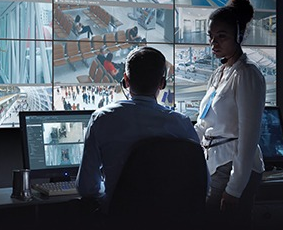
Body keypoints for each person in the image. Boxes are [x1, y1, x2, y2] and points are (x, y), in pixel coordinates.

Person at [76, 46, 200, 220]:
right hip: (171, 219)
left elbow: (87, 187)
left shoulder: (102, 119)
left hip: (121, 218)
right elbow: (201, 183)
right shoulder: (181, 124)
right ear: (162, 83)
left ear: (125, 80)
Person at [194, 0, 265, 230]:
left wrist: (235, 187)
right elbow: (204, 123)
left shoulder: (247, 74)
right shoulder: (219, 74)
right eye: (211, 37)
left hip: (233, 165)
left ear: (239, 36)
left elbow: (249, 135)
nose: (214, 43)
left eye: (221, 36)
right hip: (215, 164)